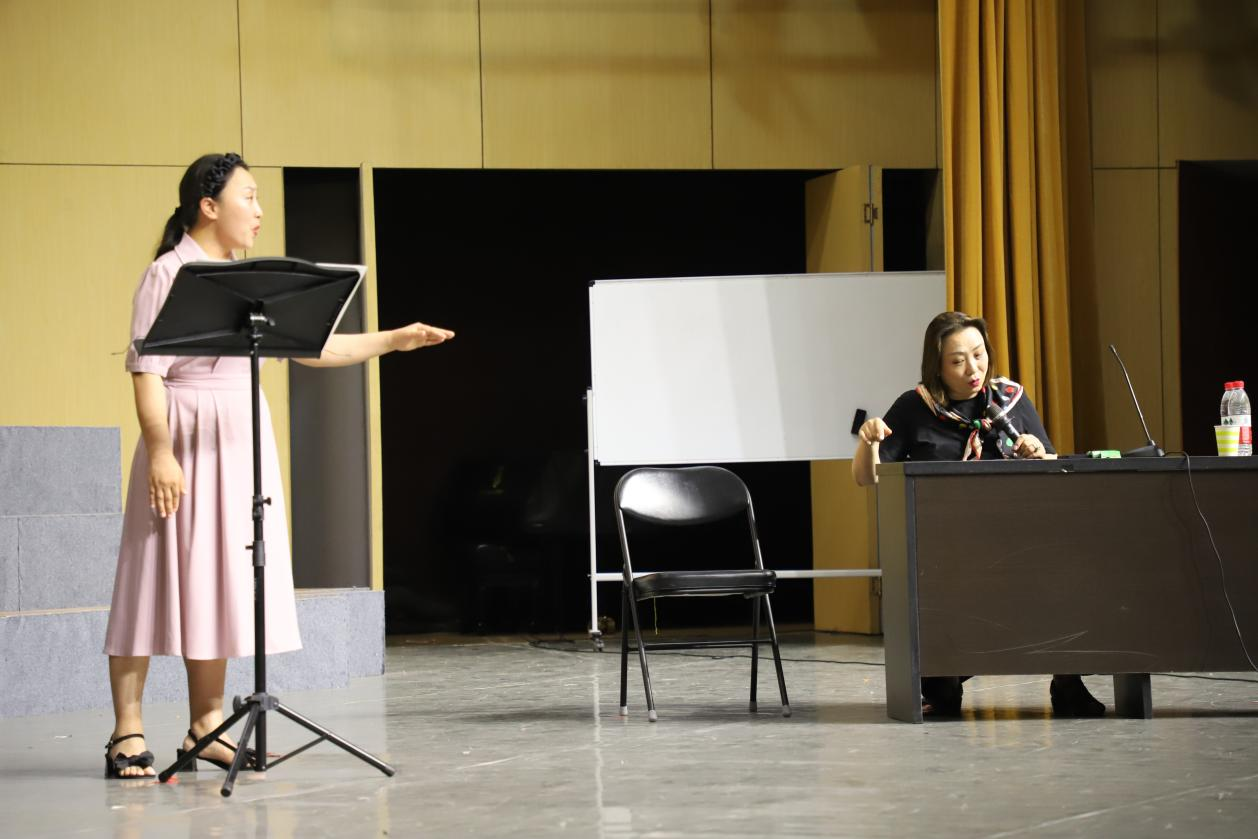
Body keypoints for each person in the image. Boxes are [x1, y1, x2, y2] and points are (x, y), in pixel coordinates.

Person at [101, 153, 455, 778]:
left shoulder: (248, 282)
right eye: (249, 198)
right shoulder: (169, 272)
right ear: (208, 206)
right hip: (183, 436)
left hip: (238, 441)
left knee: (216, 581)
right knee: (150, 575)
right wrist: (160, 451)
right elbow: (146, 371)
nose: (260, 211)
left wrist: (393, 340)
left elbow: (313, 348)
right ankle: (126, 730)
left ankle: (206, 725)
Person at [852, 311, 1104, 718]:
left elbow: (1051, 466)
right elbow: (867, 478)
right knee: (942, 673)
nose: (973, 369)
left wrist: (1037, 453)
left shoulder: (1010, 400)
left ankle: (1067, 679)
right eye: (957, 361)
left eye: (979, 354)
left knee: (1061, 568)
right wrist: (868, 443)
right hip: (945, 548)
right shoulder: (915, 407)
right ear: (937, 366)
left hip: (1017, 538)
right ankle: (944, 680)